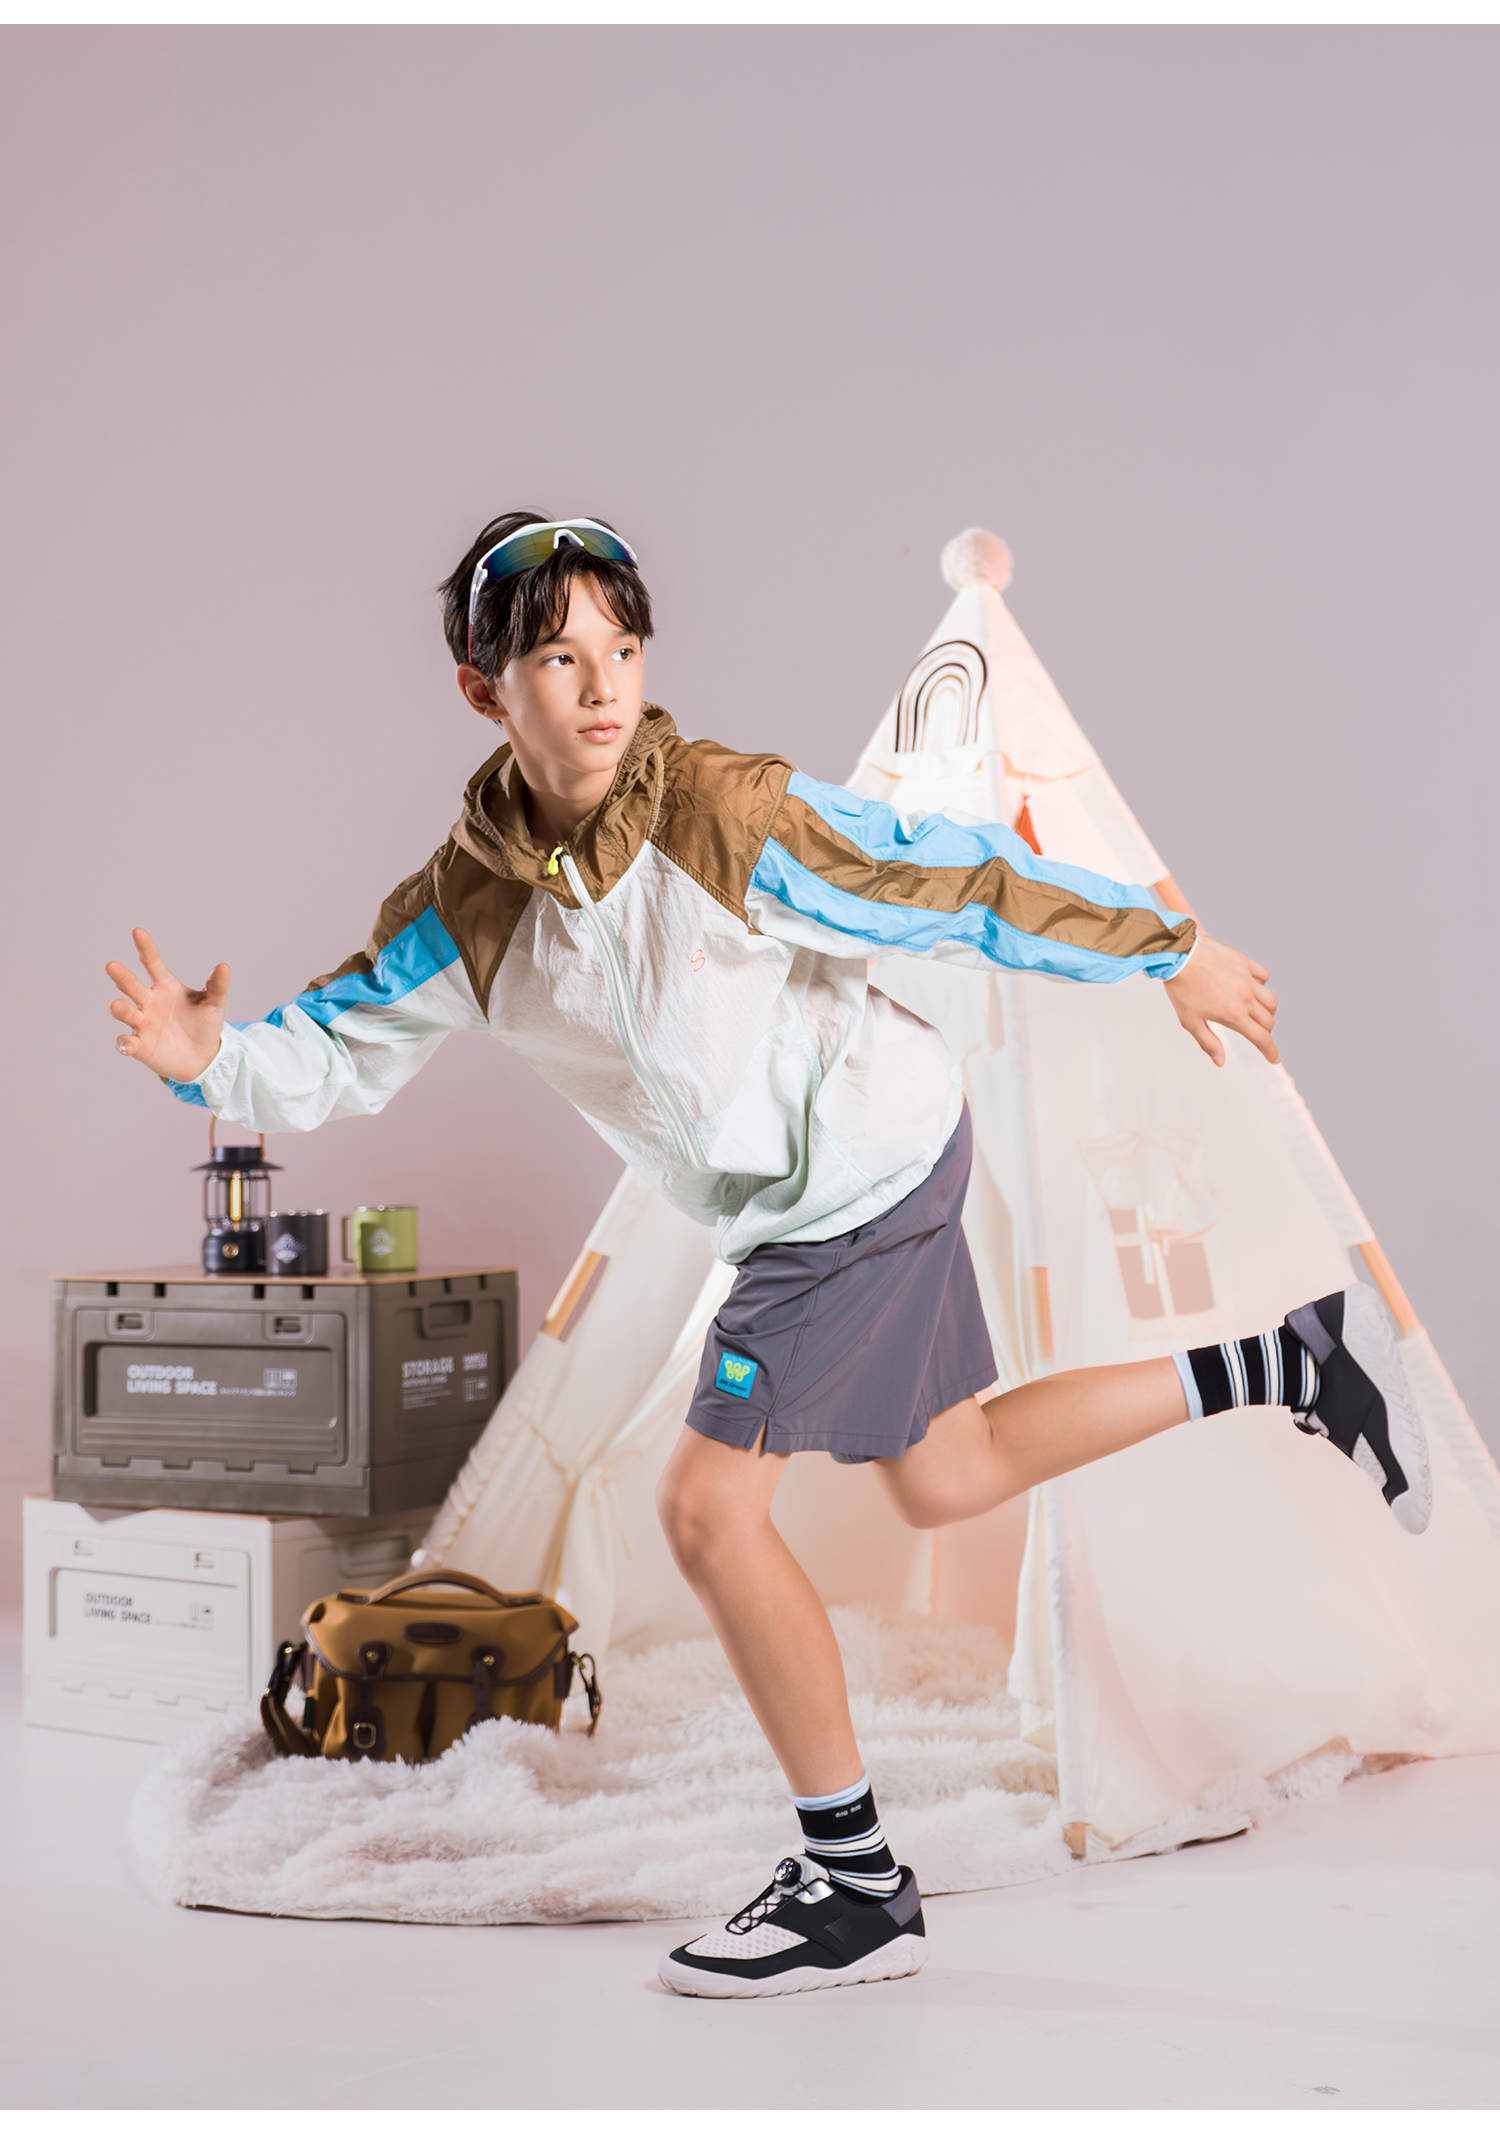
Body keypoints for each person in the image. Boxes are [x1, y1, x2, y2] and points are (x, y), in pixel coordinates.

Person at [105, 511, 1430, 1999]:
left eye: (622, 647)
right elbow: (339, 1040)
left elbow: (950, 880)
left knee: (705, 1508)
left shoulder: (719, 814)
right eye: (557, 657)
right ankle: (1288, 1360)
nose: (602, 685)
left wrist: (1166, 949)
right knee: (948, 1472)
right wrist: (212, 1059)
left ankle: (853, 1884)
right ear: (484, 690)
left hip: (863, 1166)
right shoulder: (467, 911)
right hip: (823, 1193)